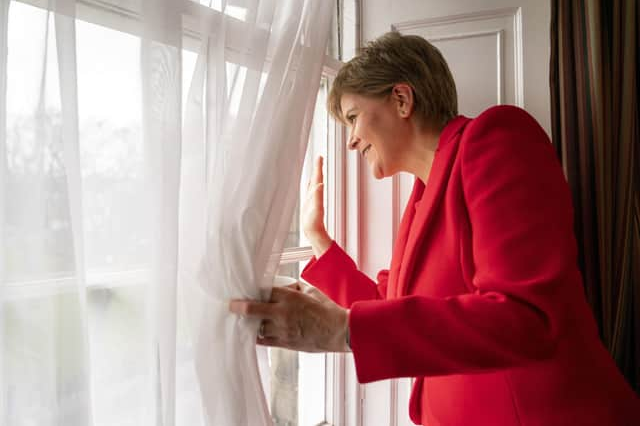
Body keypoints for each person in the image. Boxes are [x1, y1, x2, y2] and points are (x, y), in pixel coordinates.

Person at [229, 31, 639, 425]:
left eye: (353, 117)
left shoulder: (496, 139)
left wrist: (341, 330)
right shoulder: (422, 199)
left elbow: (528, 317)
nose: (351, 141)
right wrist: (317, 239)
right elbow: (383, 303)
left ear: (402, 99)